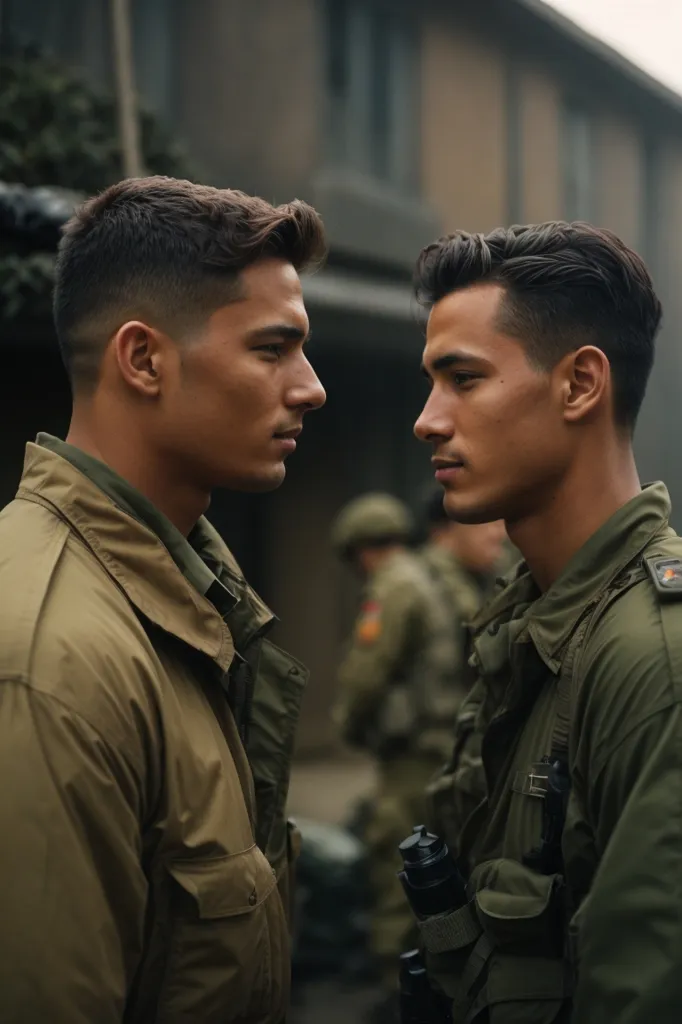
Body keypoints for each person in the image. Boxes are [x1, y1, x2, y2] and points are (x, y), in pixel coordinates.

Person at [0, 176, 327, 1024]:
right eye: (271, 349)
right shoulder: (51, 660)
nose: (310, 386)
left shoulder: (185, 597)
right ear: (143, 359)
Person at [410, 221, 682, 1023]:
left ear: (580, 385)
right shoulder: (539, 623)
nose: (428, 418)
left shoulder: (653, 658)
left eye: (463, 378)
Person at [330, 493, 460, 1023]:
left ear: (361, 549)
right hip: (442, 748)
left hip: (411, 758)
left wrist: (349, 725)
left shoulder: (394, 584)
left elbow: (368, 671)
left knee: (395, 869)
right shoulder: (429, 577)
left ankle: (397, 990)